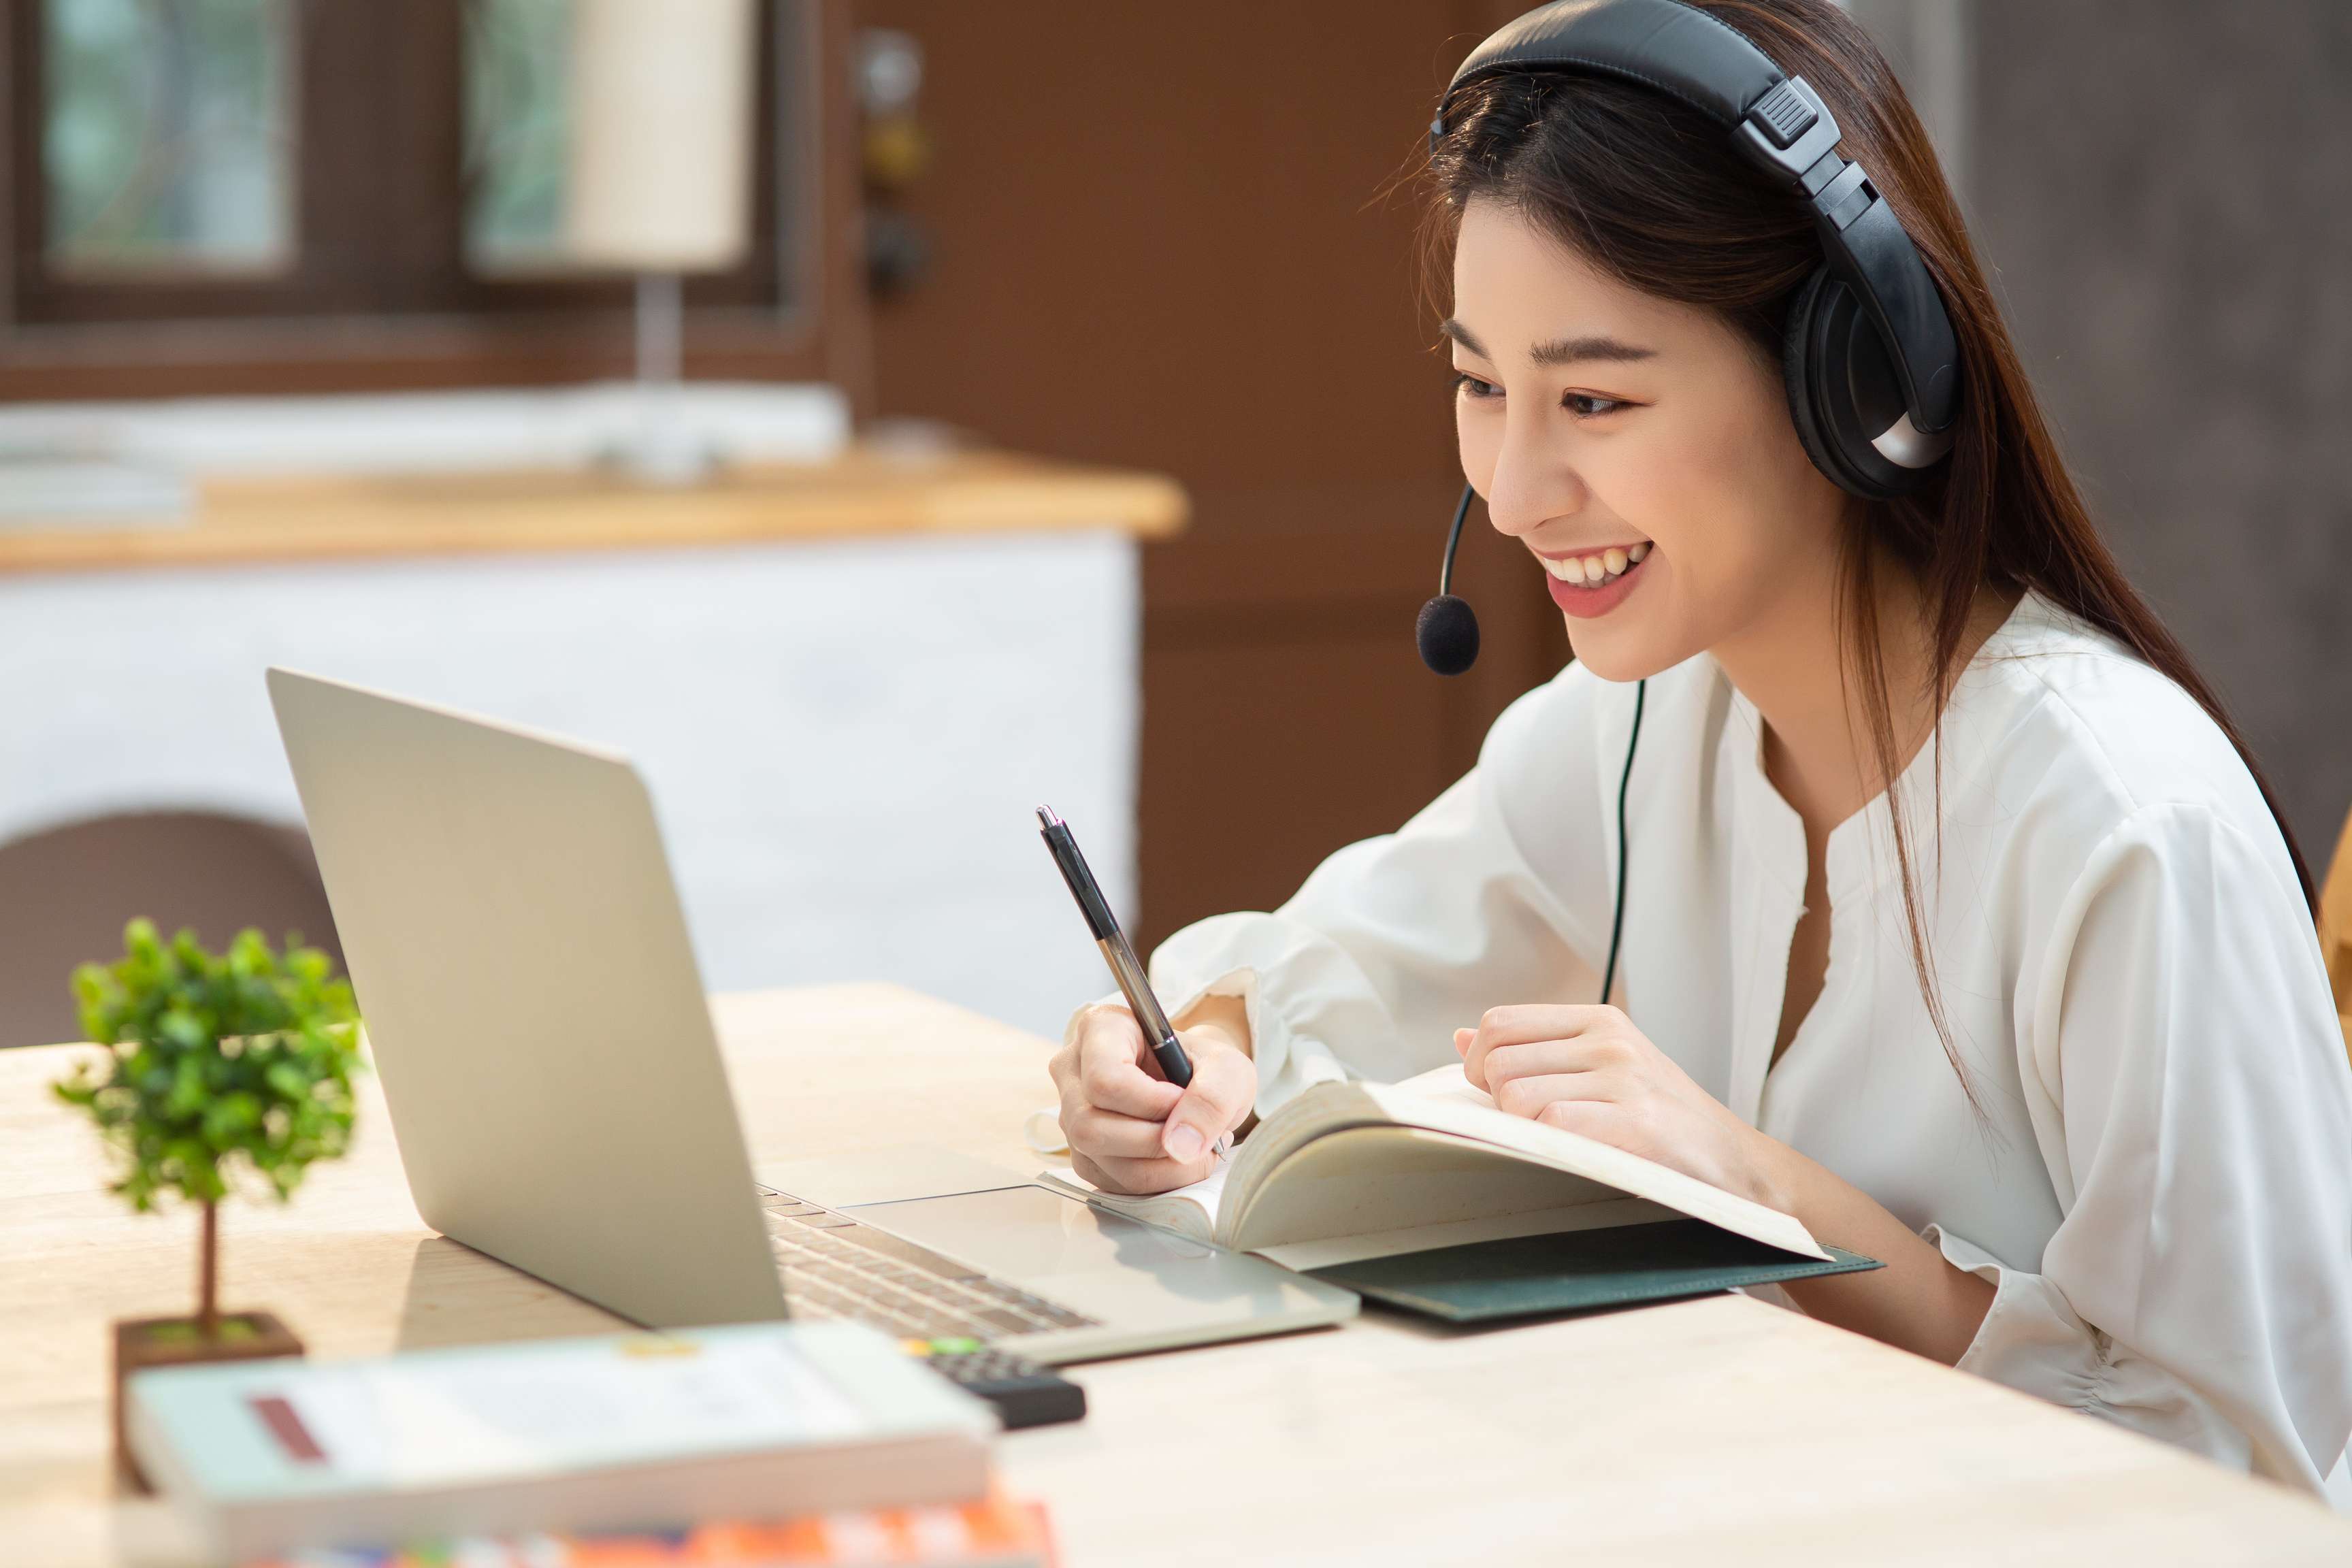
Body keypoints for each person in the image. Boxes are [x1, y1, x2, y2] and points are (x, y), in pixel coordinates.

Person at [1047, 0, 2352, 1501]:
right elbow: (1321, 967)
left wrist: (1756, 1192)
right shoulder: (1644, 723)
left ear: (1851, 386)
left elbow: (2241, 1475)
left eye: (1594, 399)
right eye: (1483, 387)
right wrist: (1186, 1052)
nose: (1520, 488)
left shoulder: (2125, 823)